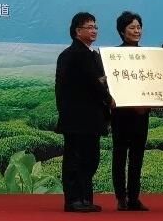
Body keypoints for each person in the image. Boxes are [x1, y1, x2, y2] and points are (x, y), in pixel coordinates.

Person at [55, 11, 113, 213]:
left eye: (95, 27)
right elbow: (88, 84)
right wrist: (108, 98)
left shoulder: (93, 55)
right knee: (75, 160)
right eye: (89, 27)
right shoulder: (71, 55)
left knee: (90, 159)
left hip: (92, 118)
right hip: (76, 118)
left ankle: (85, 198)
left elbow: (100, 82)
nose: (94, 30)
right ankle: (73, 200)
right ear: (77, 31)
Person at [111, 11, 149, 212]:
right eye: (132, 27)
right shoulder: (113, 56)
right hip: (121, 114)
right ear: (122, 31)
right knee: (119, 156)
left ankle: (134, 197)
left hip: (142, 113)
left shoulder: (149, 56)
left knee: (137, 157)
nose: (137, 31)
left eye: (139, 27)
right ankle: (121, 197)